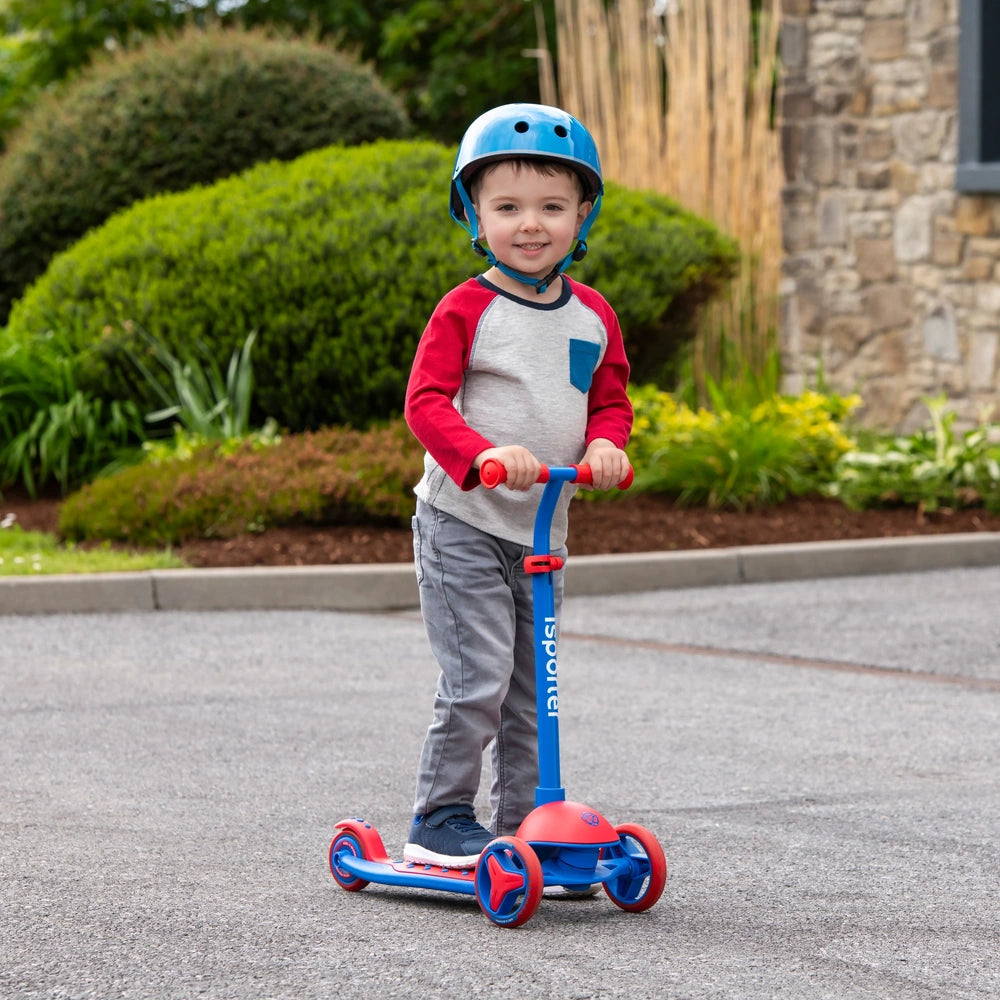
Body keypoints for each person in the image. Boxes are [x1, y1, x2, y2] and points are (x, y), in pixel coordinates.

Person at [402, 103, 633, 867]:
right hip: (463, 522)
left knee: (536, 690)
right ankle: (439, 817)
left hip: (541, 532)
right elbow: (426, 403)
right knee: (480, 678)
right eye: (507, 207)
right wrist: (482, 454)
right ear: (474, 214)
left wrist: (606, 444)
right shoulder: (468, 308)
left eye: (551, 207)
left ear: (582, 214)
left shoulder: (593, 316)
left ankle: (527, 824)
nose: (530, 224)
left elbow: (610, 401)